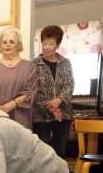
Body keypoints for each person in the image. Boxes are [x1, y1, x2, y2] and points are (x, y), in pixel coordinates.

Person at [0, 27, 38, 129]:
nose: (8, 44)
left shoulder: (29, 67)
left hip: (21, 120)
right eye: (4, 42)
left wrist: (11, 105)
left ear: (18, 44)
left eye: (12, 41)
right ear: (0, 45)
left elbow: (30, 91)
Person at [32, 25, 75, 158]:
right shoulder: (34, 64)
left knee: (60, 152)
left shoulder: (65, 62)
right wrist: (52, 107)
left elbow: (70, 84)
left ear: (58, 44)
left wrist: (58, 100)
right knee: (42, 153)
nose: (47, 47)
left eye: (51, 44)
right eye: (44, 43)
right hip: (41, 115)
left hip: (63, 114)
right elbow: (33, 91)